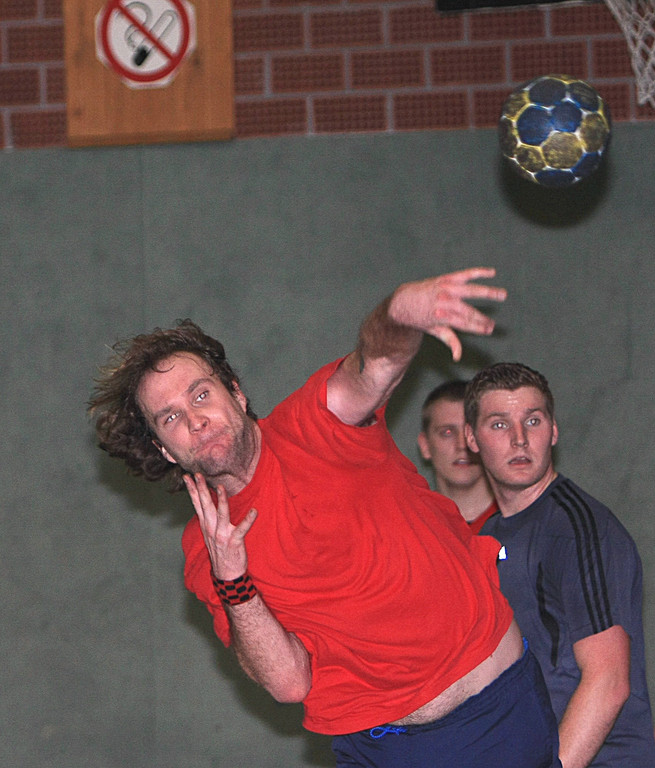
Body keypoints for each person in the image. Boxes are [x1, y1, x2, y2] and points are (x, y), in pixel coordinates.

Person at [89, 268, 561, 768]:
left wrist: (399, 313)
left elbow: (376, 365)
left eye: (201, 394)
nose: (195, 419)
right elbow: (289, 683)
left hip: (499, 717)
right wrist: (233, 580)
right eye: (170, 417)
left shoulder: (316, 422)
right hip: (382, 750)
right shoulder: (205, 550)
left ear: (236, 393)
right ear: (166, 449)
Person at [464, 362, 655, 768]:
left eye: (532, 421)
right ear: (472, 439)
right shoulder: (489, 536)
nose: (519, 438)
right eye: (499, 424)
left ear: (553, 430)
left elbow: (608, 680)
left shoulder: (578, 529)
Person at [417, 380, 496, 533]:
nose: (462, 445)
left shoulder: (522, 521)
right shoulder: (409, 524)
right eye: (447, 432)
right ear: (425, 445)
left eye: (471, 431)